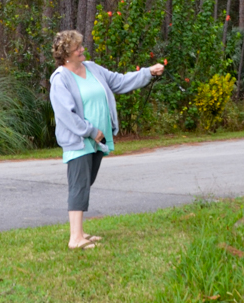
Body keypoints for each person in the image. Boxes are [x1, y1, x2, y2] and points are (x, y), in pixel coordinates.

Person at [49, 29, 164, 249]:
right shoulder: (60, 79)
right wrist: (91, 131)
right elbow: (66, 115)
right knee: (78, 185)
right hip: (79, 141)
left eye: (81, 46)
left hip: (98, 141)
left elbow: (119, 82)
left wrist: (148, 72)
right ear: (66, 55)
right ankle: (75, 239)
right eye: (77, 48)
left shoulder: (91, 68)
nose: (82, 50)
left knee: (85, 183)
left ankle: (80, 232)